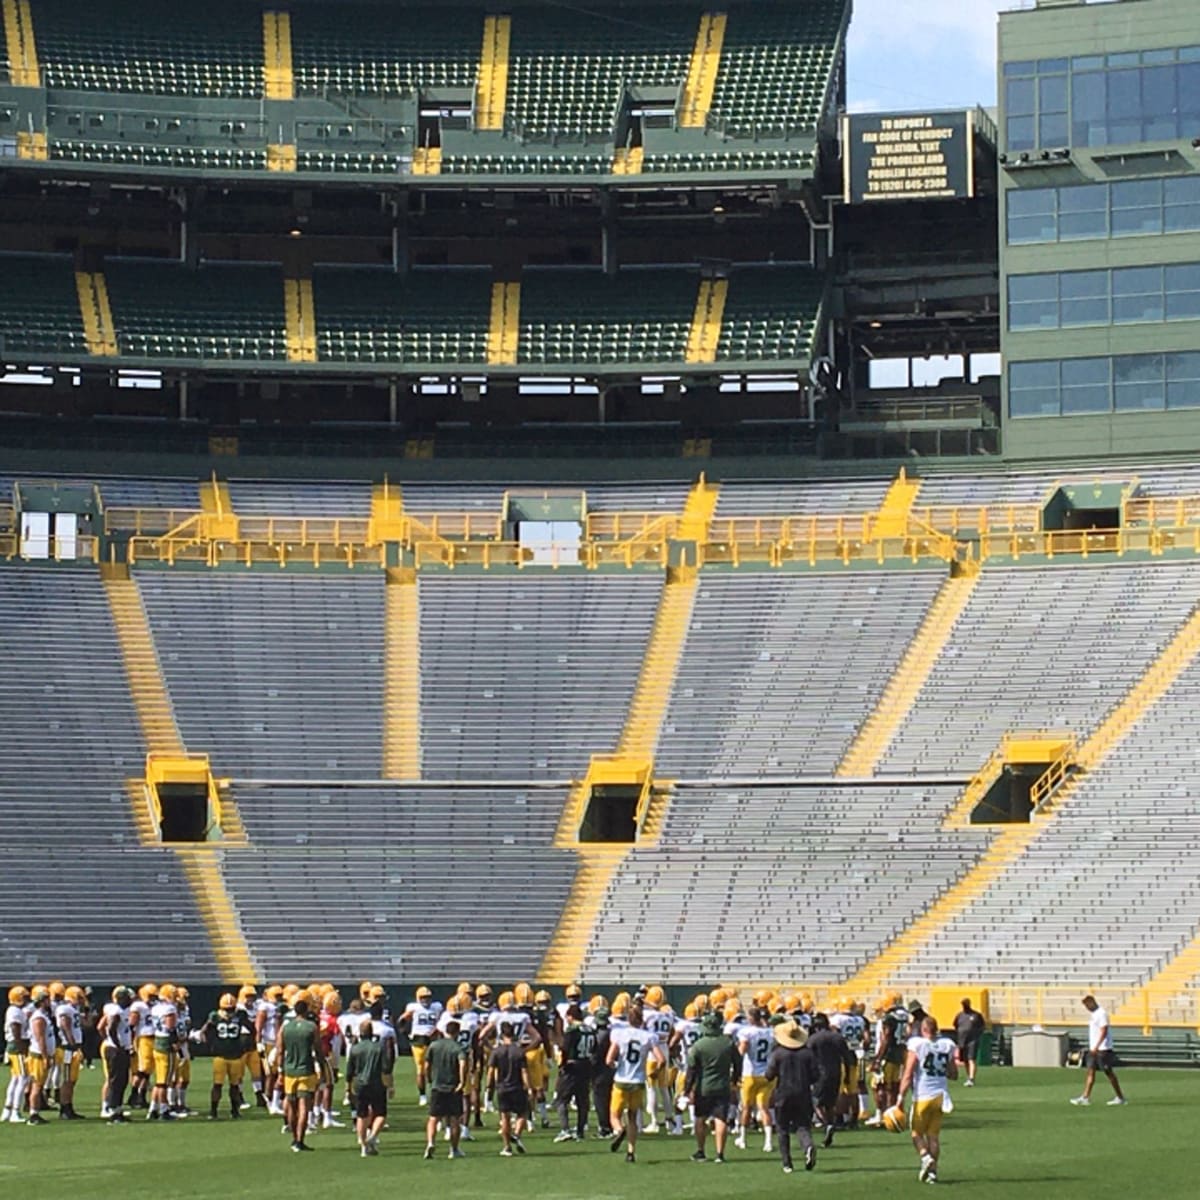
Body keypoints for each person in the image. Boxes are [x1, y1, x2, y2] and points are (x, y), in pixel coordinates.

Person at [898, 1014, 958, 1184]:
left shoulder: (917, 1044)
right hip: (941, 1096)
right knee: (933, 1136)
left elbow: (908, 1073)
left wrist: (900, 1097)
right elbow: (953, 1074)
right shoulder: (947, 1045)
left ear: (923, 1030)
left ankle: (925, 1157)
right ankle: (933, 1173)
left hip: (923, 1096)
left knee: (916, 1134)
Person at [606, 1000, 665, 1164]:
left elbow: (609, 1059)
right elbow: (661, 1060)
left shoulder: (619, 1034)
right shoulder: (649, 1037)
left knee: (614, 1115)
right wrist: (653, 1073)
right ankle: (631, 1151)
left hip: (621, 1079)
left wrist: (617, 1066)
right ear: (642, 1020)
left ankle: (619, 1130)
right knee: (633, 1117)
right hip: (638, 1081)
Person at [765, 1019, 819, 1174]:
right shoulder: (808, 1053)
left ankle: (787, 1163)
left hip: (783, 1093)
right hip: (803, 1093)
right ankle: (808, 1146)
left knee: (782, 1129)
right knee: (802, 1126)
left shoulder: (778, 1054)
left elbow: (769, 1075)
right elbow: (815, 1075)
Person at [685, 1010, 735, 1163]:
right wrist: (735, 1080)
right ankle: (720, 1154)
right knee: (721, 1119)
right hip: (722, 1086)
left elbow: (691, 1070)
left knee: (700, 1119)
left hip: (703, 1087)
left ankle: (701, 1151)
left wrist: (687, 1090)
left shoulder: (698, 1046)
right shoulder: (728, 1043)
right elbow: (737, 1063)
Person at [278, 992, 323, 1152]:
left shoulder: (286, 1027)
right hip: (306, 1069)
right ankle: (300, 1140)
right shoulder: (311, 1027)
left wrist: (280, 1071)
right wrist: (322, 1069)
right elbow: (318, 1050)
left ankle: (293, 1138)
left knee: (291, 1105)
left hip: (289, 1070)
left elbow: (280, 1050)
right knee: (304, 1106)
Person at [196, 993, 250, 1120]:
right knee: (217, 1085)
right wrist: (208, 1043)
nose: (229, 1012)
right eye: (227, 1009)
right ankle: (213, 1111)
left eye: (231, 1009)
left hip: (235, 1055)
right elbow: (204, 1031)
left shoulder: (240, 1015)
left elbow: (251, 1029)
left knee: (235, 1086)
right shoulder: (214, 1016)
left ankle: (235, 1110)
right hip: (220, 1056)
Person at [807, 1012, 854, 1148]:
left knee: (816, 1102)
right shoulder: (837, 1037)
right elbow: (847, 1058)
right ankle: (830, 1125)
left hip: (820, 1073)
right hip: (836, 1072)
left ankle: (827, 1124)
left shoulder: (814, 1039)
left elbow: (808, 1057)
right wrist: (847, 1076)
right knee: (830, 1104)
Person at [1071, 995, 1126, 1107]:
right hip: (1094, 1049)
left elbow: (1104, 1030)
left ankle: (1120, 1097)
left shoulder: (1101, 1014)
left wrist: (1097, 1045)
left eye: (1087, 1005)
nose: (1086, 1008)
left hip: (1102, 1049)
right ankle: (1085, 1097)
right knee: (1090, 1071)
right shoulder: (1094, 1015)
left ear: (1092, 1003)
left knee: (1109, 1073)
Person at [425, 1018, 468, 1160]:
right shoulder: (458, 1047)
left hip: (437, 1086)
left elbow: (427, 1065)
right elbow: (462, 1064)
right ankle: (453, 1149)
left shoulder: (434, 1045)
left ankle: (431, 1142)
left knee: (433, 1118)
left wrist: (429, 1078)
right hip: (452, 1087)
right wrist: (462, 1081)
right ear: (457, 1032)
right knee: (454, 1119)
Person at [488, 1021, 531, 1157]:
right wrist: (528, 1087)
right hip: (517, 1086)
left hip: (502, 1087)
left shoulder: (496, 1052)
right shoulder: (519, 1052)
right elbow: (524, 1071)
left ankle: (507, 1147)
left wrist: (490, 1087)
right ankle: (517, 1135)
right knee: (523, 1114)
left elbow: (491, 1071)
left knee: (505, 1118)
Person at [346, 1018, 389, 1157]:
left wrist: (348, 1088)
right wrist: (390, 1085)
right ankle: (373, 1137)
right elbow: (386, 1068)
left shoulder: (355, 1048)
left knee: (361, 1114)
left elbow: (349, 1071)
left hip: (359, 1084)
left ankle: (363, 1145)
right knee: (380, 1113)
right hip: (376, 1084)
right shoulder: (379, 1047)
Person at [735, 1006, 775, 1152]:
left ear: (751, 1018)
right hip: (767, 1074)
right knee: (764, 1108)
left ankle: (743, 1139)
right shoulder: (771, 1033)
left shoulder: (746, 1032)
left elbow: (742, 1050)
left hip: (750, 1074)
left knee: (746, 1107)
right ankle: (768, 1141)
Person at [554, 1003, 594, 1143]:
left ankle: (565, 1129)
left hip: (572, 1067)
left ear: (570, 1016)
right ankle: (580, 1131)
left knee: (561, 1099)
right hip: (586, 1065)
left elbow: (565, 1049)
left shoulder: (571, 1030)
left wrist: (562, 1065)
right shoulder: (590, 1029)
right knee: (582, 1101)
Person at [398, 985, 442, 1107]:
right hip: (418, 1040)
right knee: (420, 1069)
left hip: (433, 1040)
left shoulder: (437, 1006)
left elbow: (442, 1020)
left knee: (434, 1069)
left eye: (427, 997)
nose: (425, 1000)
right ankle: (422, 1095)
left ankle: (434, 1091)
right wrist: (406, 1033)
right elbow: (401, 1020)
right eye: (423, 997)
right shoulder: (413, 1007)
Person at [97, 986, 133, 1122]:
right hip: (116, 1049)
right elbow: (111, 1029)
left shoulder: (121, 1010)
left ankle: (118, 1109)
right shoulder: (116, 1011)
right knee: (115, 1081)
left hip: (120, 1047)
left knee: (122, 1080)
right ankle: (112, 1111)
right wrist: (117, 1045)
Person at [3, 985, 31, 1124]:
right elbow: (15, 1029)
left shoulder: (15, 1010)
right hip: (17, 1045)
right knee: (23, 1078)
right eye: (24, 996)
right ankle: (15, 1111)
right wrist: (21, 1047)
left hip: (14, 1045)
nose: (26, 999)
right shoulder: (15, 1011)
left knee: (15, 1079)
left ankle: (7, 1110)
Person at [590, 1006, 615, 1139]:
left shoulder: (600, 1035)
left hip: (600, 1070)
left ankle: (605, 1128)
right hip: (611, 1069)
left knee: (600, 1100)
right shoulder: (612, 1032)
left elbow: (596, 1056)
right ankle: (609, 1125)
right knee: (608, 1099)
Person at [953, 999, 986, 1086]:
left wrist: (977, 1035)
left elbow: (982, 1026)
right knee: (965, 1060)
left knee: (971, 1058)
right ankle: (969, 1078)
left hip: (972, 1040)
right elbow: (955, 1025)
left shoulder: (976, 1015)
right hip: (962, 1040)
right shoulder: (959, 1015)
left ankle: (971, 1078)